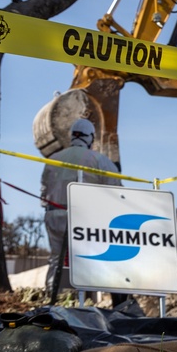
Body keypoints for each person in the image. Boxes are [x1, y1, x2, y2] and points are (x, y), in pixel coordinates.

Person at [40, 118, 123, 305]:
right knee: (91, 260)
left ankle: (52, 301)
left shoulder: (52, 160)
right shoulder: (98, 160)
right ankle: (88, 304)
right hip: (82, 218)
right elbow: (117, 190)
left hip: (53, 215)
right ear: (90, 137)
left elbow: (43, 189)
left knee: (56, 260)